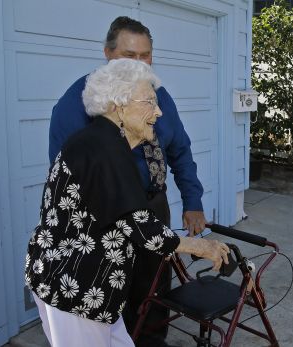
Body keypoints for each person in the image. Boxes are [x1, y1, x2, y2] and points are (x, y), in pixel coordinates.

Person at [26, 59, 229, 347]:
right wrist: (202, 246)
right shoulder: (101, 148)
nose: (158, 112)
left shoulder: (106, 142)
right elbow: (138, 224)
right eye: (149, 102)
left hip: (92, 287)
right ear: (118, 105)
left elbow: (123, 219)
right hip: (75, 288)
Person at [48, 16, 205, 346]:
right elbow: (73, 183)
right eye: (128, 56)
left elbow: (180, 149)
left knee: (154, 289)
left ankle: (150, 341)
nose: (139, 64)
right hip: (105, 217)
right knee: (110, 288)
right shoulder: (77, 106)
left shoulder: (156, 97)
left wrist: (192, 201)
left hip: (152, 204)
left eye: (145, 55)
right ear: (107, 53)